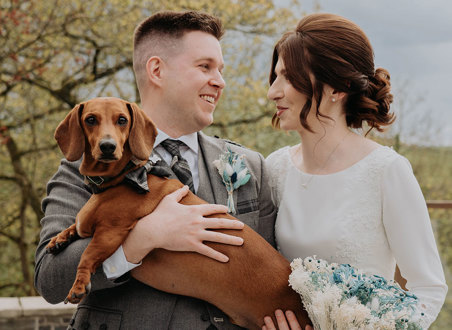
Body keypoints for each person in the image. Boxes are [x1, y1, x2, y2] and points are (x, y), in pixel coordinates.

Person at [35, 11, 277, 329]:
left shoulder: (250, 166)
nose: (220, 81)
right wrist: (142, 239)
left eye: (220, 69)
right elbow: (50, 279)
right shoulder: (83, 169)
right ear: (157, 70)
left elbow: (269, 274)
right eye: (205, 66)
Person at [262, 13, 447, 330]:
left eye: (289, 77)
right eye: (275, 76)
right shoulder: (274, 168)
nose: (273, 92)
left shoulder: (386, 171)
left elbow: (428, 289)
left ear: (338, 87)